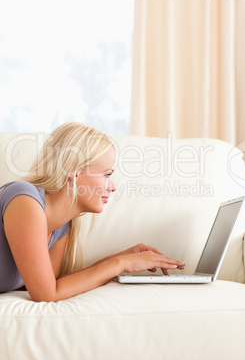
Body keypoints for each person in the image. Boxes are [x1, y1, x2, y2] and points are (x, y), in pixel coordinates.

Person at [0, 122, 185, 302]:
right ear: (74, 171)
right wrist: (122, 263)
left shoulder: (62, 226)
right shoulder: (24, 200)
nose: (112, 187)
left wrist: (122, 258)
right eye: (107, 174)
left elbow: (54, 284)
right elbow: (47, 294)